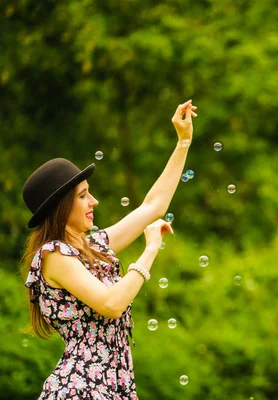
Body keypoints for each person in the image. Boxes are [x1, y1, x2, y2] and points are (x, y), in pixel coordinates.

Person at [21, 100, 197, 399]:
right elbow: (112, 303)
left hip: (114, 385)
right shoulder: (54, 256)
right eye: (84, 196)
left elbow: (154, 206)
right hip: (82, 387)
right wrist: (150, 250)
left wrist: (183, 141)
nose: (94, 202)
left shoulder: (92, 247)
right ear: (62, 207)